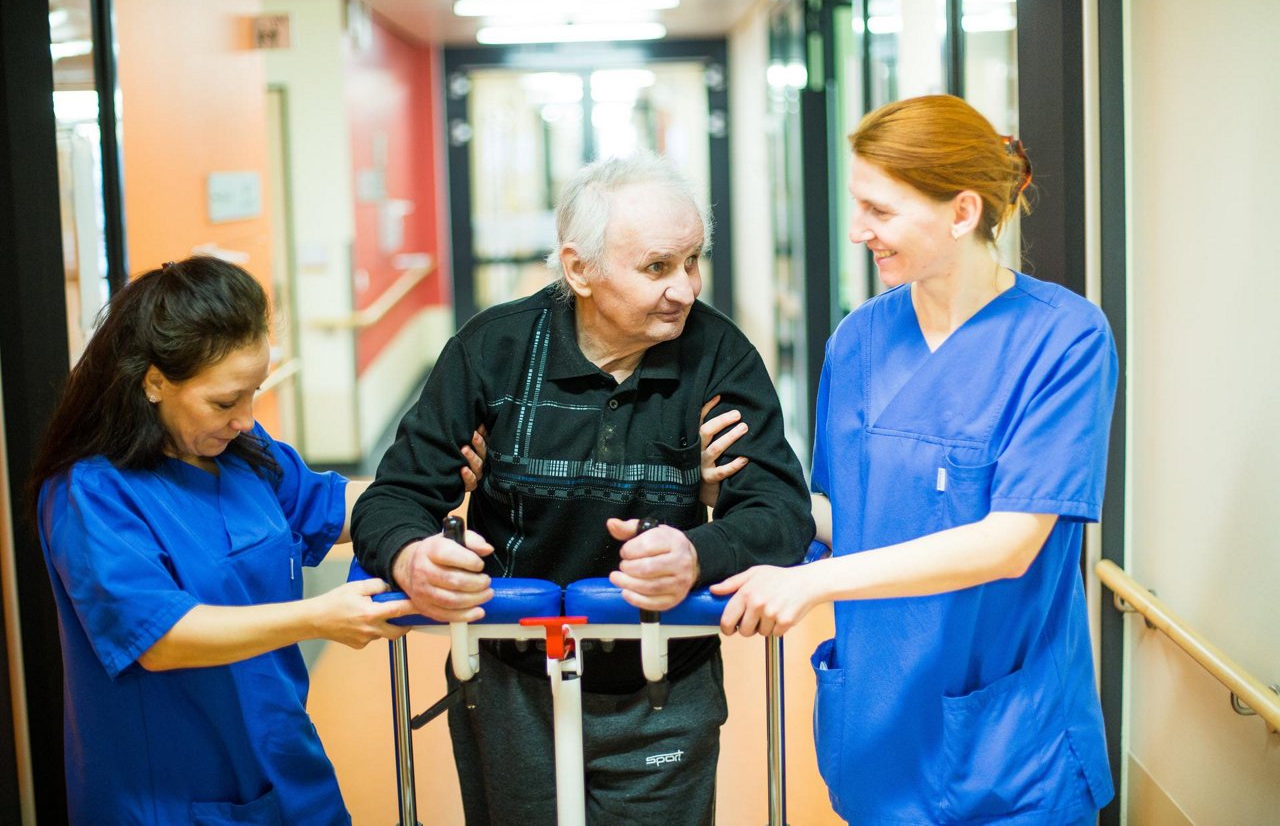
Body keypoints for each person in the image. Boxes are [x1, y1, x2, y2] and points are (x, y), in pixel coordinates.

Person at [352, 152, 815, 825]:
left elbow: (781, 513)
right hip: (509, 683)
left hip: (663, 682)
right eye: (657, 267)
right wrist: (410, 558)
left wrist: (698, 553)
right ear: (580, 269)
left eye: (693, 260)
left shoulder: (718, 354)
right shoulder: (495, 351)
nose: (685, 288)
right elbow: (391, 501)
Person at [713, 95, 1118, 824]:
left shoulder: (1065, 341)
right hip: (875, 726)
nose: (857, 230)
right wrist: (738, 499)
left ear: (962, 212)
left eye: (880, 211)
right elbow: (846, 513)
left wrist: (813, 586)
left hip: (1005, 747)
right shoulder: (858, 340)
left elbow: (1010, 543)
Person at [27, 256, 426, 825]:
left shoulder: (237, 451)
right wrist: (318, 618)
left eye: (253, 392)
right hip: (173, 797)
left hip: (286, 767)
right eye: (224, 401)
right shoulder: (91, 493)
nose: (246, 417)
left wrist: (435, 486)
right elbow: (161, 638)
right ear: (154, 381)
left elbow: (325, 505)